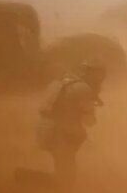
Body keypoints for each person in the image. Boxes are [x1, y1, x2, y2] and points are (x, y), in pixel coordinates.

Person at [36, 58, 106, 186]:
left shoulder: (61, 82)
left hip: (45, 130)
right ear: (92, 73)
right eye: (100, 74)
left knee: (63, 169)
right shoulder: (83, 88)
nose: (101, 79)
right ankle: (27, 179)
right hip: (61, 134)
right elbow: (89, 121)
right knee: (66, 177)